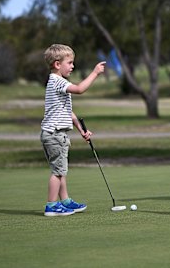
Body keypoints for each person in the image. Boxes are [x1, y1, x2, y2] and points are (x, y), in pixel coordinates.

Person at [40, 44, 106, 216]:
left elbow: (67, 111)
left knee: (61, 170)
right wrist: (95, 73)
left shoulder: (55, 82)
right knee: (58, 172)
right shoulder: (57, 81)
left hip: (54, 133)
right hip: (55, 134)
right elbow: (80, 89)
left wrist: (81, 129)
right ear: (57, 64)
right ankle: (51, 205)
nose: (72, 66)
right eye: (69, 63)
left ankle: (66, 201)